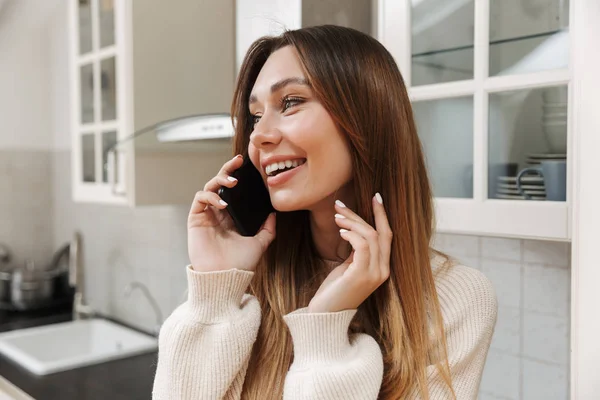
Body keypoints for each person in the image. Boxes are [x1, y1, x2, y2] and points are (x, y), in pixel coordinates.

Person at [152, 25, 498, 400]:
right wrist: (214, 291)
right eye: (254, 116)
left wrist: (326, 331)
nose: (258, 135)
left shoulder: (455, 299)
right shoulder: (246, 282)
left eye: (290, 102)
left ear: (366, 118)